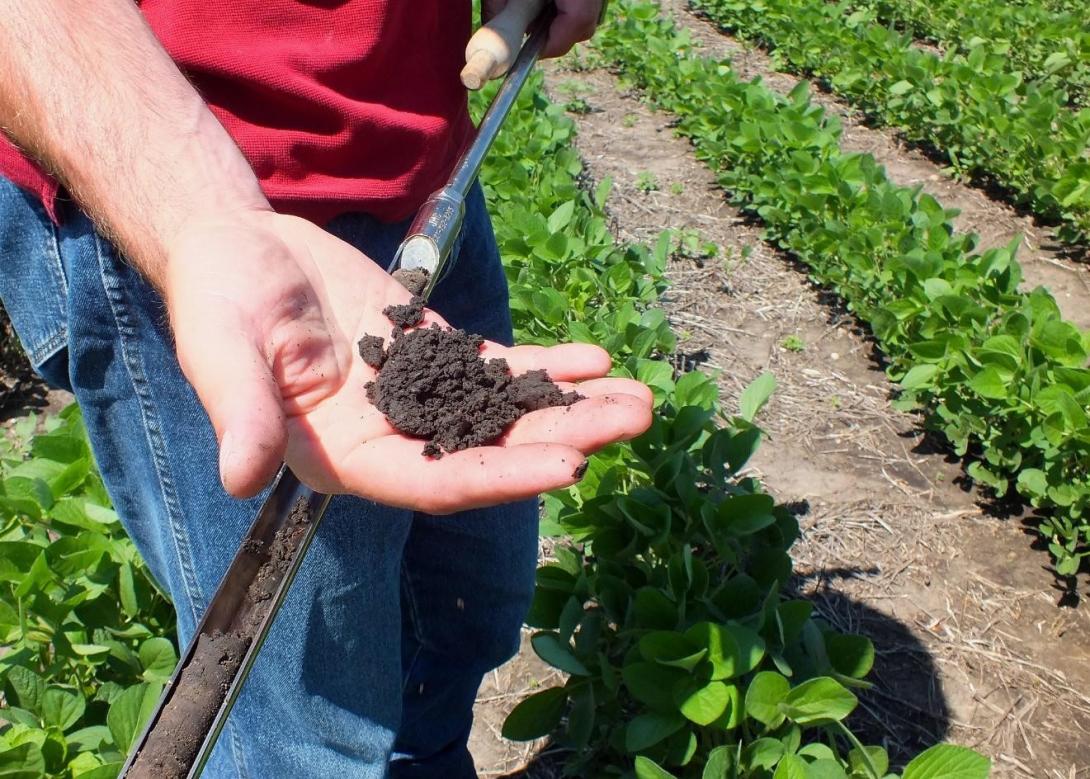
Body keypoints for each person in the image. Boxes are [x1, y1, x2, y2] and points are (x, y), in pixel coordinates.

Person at [0, 1, 650, 776]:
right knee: (304, 733)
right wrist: (203, 218)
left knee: (465, 616)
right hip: (172, 195)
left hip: (419, 161)